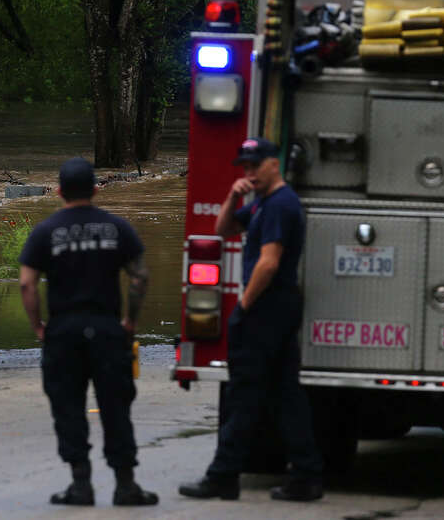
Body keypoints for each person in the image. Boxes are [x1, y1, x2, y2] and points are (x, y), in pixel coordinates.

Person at [179, 137, 324, 502]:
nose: (249, 172)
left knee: (245, 394)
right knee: (286, 395)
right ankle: (305, 475)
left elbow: (269, 261)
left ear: (273, 163)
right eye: (244, 167)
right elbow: (223, 230)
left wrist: (244, 305)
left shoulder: (280, 205)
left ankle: (223, 476)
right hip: (278, 307)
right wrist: (232, 195)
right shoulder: (263, 203)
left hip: (268, 308)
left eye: (255, 166)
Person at [18, 157, 158, 507]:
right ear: (96, 189)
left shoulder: (45, 231)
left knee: (68, 407)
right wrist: (130, 321)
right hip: (108, 328)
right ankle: (126, 486)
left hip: (63, 331)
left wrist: (38, 326)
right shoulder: (118, 228)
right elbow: (139, 276)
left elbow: (26, 284)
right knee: (115, 407)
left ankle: (81, 486)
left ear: (59, 191)